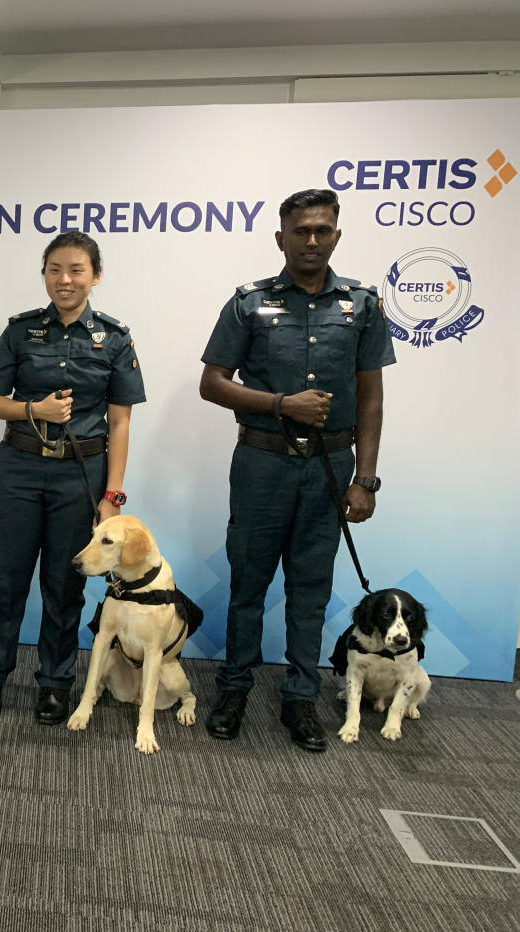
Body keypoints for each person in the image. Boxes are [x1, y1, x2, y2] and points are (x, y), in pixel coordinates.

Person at [199, 188, 395, 752]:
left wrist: (366, 478)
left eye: (322, 230)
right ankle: (233, 689)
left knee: (311, 589)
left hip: (332, 466)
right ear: (279, 237)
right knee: (248, 585)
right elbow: (212, 384)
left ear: (337, 234)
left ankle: (300, 698)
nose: (312, 240)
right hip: (262, 462)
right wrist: (283, 404)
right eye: (301, 230)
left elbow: (371, 398)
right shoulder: (249, 303)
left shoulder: (362, 304)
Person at [0, 232, 145, 725]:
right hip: (19, 468)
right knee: (6, 579)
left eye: (76, 270)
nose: (64, 280)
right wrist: (35, 409)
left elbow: (121, 421)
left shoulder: (114, 338)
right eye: (54, 270)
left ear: (95, 275)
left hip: (81, 474)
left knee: (65, 585)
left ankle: (54, 682)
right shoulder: (20, 332)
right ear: (44, 273)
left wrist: (112, 495)